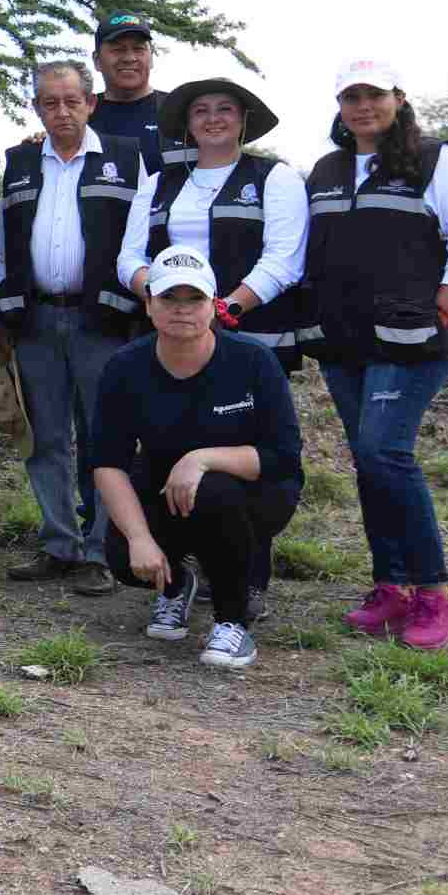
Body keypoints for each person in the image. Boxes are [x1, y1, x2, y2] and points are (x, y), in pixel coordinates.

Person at [301, 59, 448, 652]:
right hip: (344, 342)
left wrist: (438, 310)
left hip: (410, 342)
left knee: (386, 451)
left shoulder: (437, 160)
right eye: (350, 96)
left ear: (399, 98)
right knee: (369, 459)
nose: (363, 106)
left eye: (374, 94)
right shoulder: (328, 169)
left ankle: (436, 595)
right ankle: (392, 587)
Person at [115, 77, 307, 621]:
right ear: (187, 121)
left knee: (241, 459)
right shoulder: (159, 181)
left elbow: (284, 259)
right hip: (170, 336)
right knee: (165, 450)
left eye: (225, 109)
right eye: (201, 110)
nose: (213, 118)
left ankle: (247, 582)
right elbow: (129, 256)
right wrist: (156, 296)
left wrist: (226, 311)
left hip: (248, 337)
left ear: (244, 119)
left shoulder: (274, 178)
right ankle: (177, 575)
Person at [93, 245, 304, 670]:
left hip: (254, 492)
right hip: (165, 487)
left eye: (195, 298)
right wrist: (138, 538)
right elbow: (108, 461)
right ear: (149, 304)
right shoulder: (124, 367)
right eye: (169, 297)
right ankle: (175, 586)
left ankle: (233, 621)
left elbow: (282, 458)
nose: (182, 309)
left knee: (215, 492)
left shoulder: (254, 362)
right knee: (121, 555)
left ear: (213, 305)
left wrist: (203, 458)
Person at [0, 60, 142, 597]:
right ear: (36, 108)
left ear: (91, 102)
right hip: (34, 318)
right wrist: (2, 312)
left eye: (71, 101)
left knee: (105, 437)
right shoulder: (20, 162)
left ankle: (102, 551)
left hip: (102, 319)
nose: (61, 111)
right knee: (44, 437)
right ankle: (59, 543)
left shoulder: (127, 159)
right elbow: (6, 244)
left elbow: (141, 238)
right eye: (49, 102)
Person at [85, 11, 182, 176]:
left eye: (139, 49)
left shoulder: (180, 110)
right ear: (97, 61)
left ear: (151, 59)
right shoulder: (81, 115)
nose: (129, 58)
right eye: (118, 49)